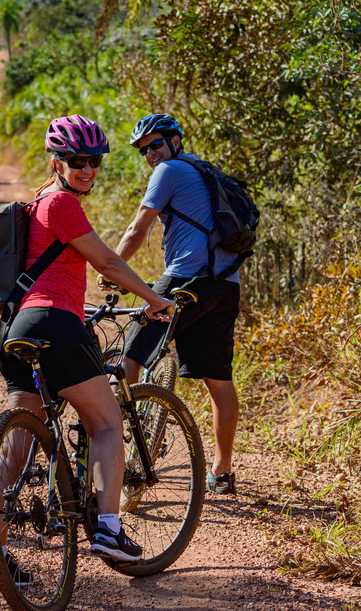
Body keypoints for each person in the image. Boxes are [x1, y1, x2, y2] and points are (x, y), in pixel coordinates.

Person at [0, 115, 174, 587]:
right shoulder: (61, 202)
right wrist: (153, 298)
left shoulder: (37, 203)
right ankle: (108, 528)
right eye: (76, 160)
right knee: (106, 422)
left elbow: (56, 276)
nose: (86, 169)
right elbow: (105, 260)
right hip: (51, 323)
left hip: (14, 330)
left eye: (94, 161)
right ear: (55, 161)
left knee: (18, 444)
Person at [115, 113, 242, 496]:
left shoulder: (168, 170)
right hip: (224, 287)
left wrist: (114, 269)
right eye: (143, 150)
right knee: (219, 380)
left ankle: (116, 455)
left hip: (185, 280)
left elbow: (138, 227)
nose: (149, 154)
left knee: (127, 360)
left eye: (154, 144)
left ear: (175, 140)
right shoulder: (205, 170)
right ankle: (222, 472)